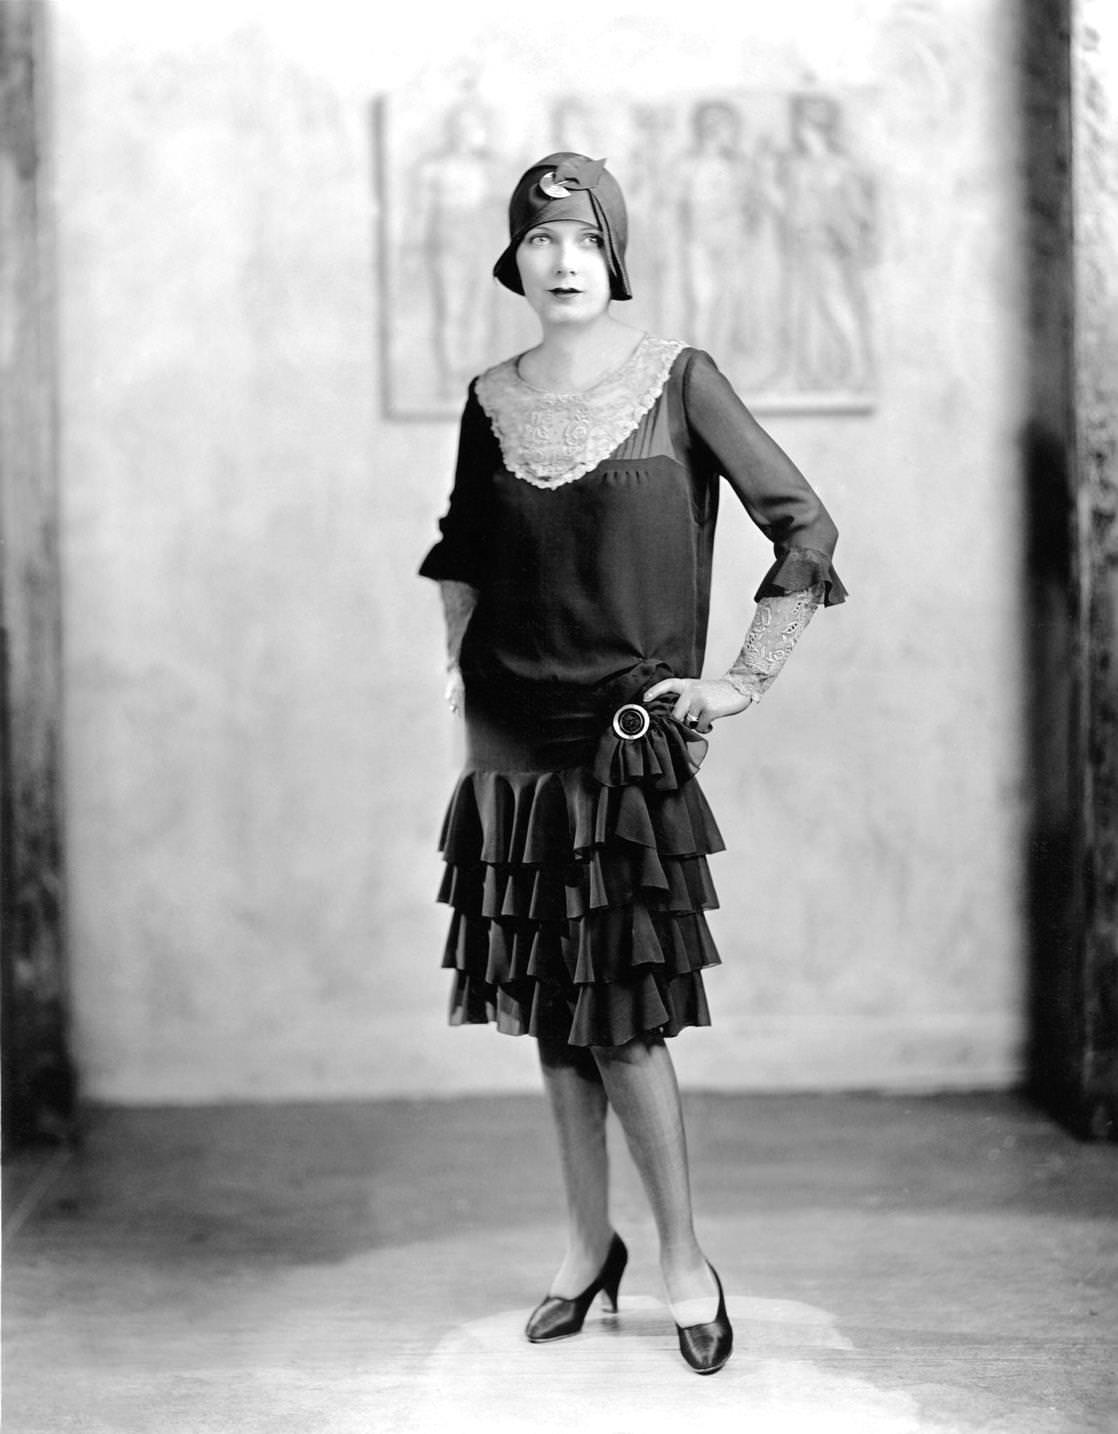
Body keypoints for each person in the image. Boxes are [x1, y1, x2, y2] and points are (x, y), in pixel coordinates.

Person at [419, 152, 845, 1376]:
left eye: (583, 240)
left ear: (613, 252)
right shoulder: (488, 395)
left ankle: (681, 1259)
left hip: (622, 736)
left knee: (622, 1023)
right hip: (508, 737)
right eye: (540, 240)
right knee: (550, 1017)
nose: (562, 262)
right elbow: (460, 545)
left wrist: (739, 680)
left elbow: (801, 526)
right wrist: (457, 658)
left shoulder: (679, 380)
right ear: (516, 256)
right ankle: (580, 1246)